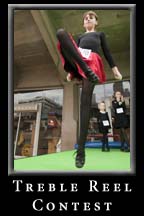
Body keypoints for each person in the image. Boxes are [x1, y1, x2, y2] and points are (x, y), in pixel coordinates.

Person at [56, 10, 122, 168]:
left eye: (91, 17)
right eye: (85, 18)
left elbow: (107, 52)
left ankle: (81, 152)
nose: (87, 19)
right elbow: (74, 52)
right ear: (83, 23)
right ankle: (84, 70)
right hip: (81, 63)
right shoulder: (80, 36)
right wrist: (73, 72)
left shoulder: (100, 35)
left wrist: (115, 69)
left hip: (93, 63)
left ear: (96, 22)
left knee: (84, 104)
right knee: (60, 33)